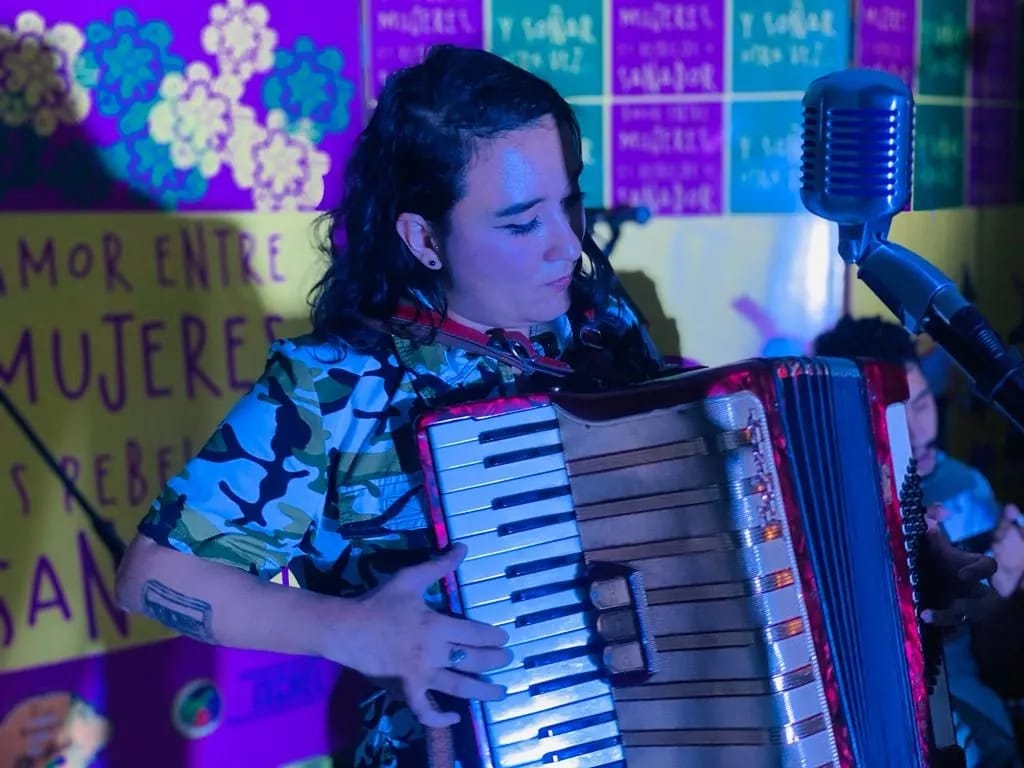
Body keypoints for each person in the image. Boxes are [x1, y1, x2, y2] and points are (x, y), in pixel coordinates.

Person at [114, 45, 994, 768]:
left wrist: (895, 562)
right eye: (520, 221)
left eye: (569, 203)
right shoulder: (336, 385)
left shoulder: (596, 325)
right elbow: (155, 573)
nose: (568, 245)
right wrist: (354, 631)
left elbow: (706, 515)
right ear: (423, 238)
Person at [814, 314, 1024, 768]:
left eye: (923, 403)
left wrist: (1008, 584)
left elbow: (991, 651)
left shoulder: (966, 487)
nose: (920, 431)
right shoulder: (832, 503)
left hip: (969, 715)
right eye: (896, 414)